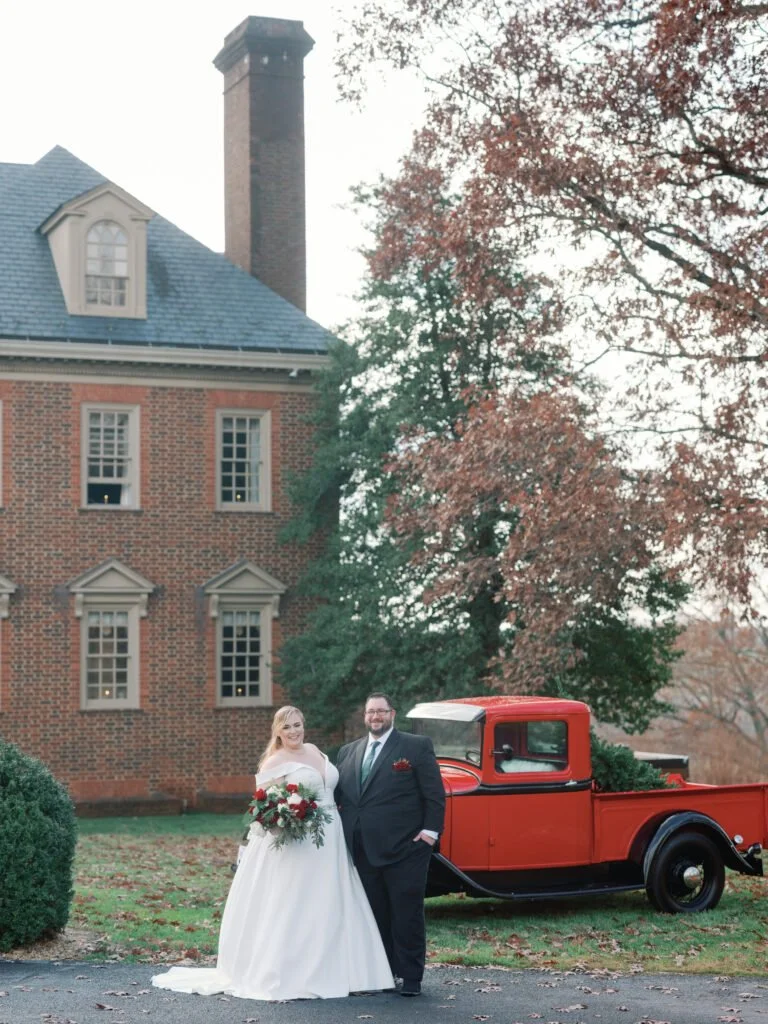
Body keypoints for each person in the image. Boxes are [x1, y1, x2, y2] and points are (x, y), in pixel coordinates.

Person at [151, 706, 394, 1001]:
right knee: (298, 902)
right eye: (287, 727)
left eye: (298, 725)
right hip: (299, 842)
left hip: (332, 837)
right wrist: (286, 817)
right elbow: (262, 807)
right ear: (277, 732)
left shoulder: (315, 750)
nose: (294, 732)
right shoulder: (274, 760)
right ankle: (294, 972)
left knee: (333, 897)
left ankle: (348, 972)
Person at [335, 692, 446, 997]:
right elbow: (340, 800)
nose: (376, 717)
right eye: (371, 712)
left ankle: (411, 977)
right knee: (375, 914)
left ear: (392, 714)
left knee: (406, 913)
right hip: (362, 849)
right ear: (365, 716)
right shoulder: (348, 752)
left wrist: (429, 834)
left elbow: (434, 795)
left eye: (381, 712)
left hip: (406, 850)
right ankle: (383, 973)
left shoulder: (414, 746)